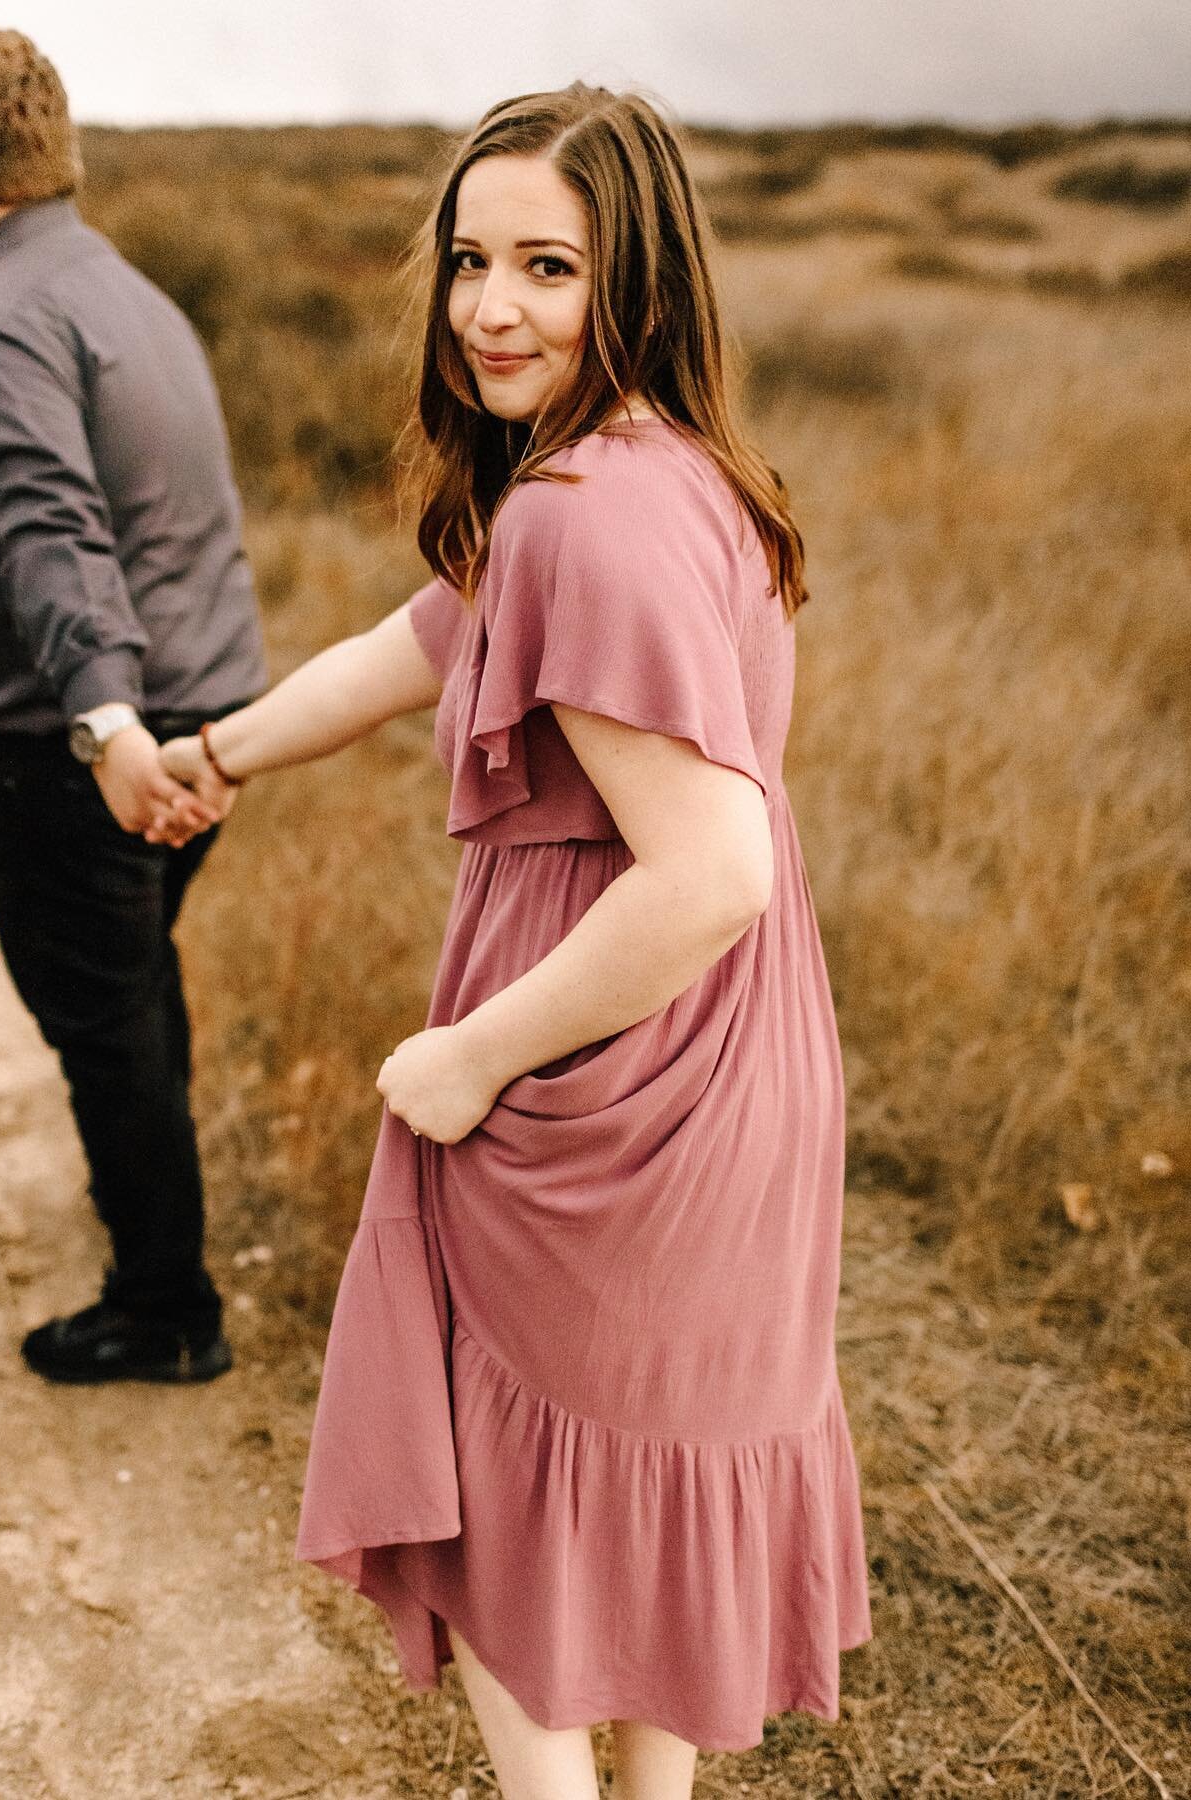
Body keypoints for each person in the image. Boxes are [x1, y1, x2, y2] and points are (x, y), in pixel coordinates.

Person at [164, 84, 872, 1800]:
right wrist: (219, 756)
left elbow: (709, 870)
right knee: (619, 1531)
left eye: (546, 267)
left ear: (636, 278)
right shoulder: (670, 473)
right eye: (471, 260)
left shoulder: (579, 512)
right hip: (737, 1066)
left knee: (500, 1526)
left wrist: (464, 1061)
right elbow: (409, 649)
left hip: (603, 1066)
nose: (489, 308)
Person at [0, 29, 267, 1385]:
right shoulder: (126, 293)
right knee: (133, 1000)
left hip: (84, 754)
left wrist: (109, 727)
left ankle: (166, 1304)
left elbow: (55, 536)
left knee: (103, 1022)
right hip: (201, 717)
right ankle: (151, 1229)